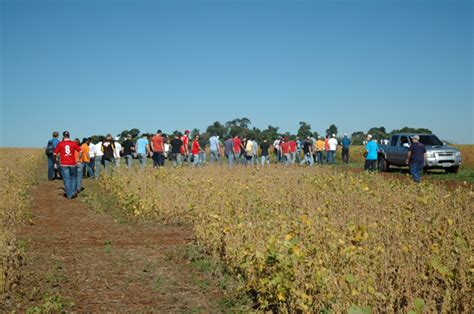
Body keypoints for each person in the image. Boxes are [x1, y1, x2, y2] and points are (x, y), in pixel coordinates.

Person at [53, 131, 81, 199]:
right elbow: (80, 151)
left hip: (64, 164)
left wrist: (55, 161)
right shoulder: (73, 143)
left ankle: (69, 194)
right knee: (74, 178)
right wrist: (78, 159)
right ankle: (73, 191)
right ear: (69, 136)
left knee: (66, 179)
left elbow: (55, 154)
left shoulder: (60, 144)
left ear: (63, 136)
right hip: (72, 163)